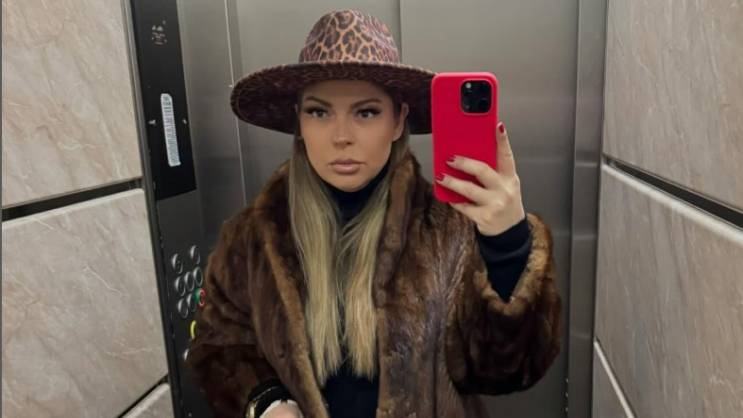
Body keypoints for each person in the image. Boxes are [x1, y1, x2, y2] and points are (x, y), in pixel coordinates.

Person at [185, 9, 562, 418]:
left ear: (398, 121)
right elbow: (219, 345)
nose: (341, 137)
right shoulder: (254, 238)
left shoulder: (449, 230)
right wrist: (266, 400)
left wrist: (508, 244)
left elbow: (505, 371)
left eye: (366, 112)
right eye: (319, 112)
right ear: (298, 122)